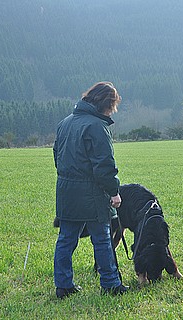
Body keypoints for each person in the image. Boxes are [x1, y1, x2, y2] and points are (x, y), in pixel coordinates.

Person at [52, 81, 129, 299]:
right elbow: (104, 166)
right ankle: (111, 283)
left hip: (66, 191)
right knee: (102, 239)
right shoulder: (97, 127)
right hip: (92, 194)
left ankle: (63, 285)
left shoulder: (65, 123)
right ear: (107, 104)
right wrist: (114, 192)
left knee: (66, 239)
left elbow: (57, 156)